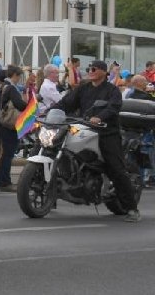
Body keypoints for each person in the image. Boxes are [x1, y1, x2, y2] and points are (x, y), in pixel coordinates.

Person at [49, 60, 140, 222]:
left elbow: (113, 108)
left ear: (104, 72)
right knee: (54, 147)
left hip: (106, 132)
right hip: (84, 129)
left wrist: (100, 117)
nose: (90, 71)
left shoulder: (112, 90)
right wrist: (49, 112)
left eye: (94, 69)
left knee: (116, 169)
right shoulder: (83, 88)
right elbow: (66, 102)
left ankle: (132, 208)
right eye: (88, 68)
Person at [0, 65, 29, 192]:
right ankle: (5, 182)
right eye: (18, 76)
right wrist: (30, 105)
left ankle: (0, 180)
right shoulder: (12, 88)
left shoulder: (3, 87)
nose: (19, 79)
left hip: (1, 123)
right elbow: (19, 105)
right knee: (8, 154)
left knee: (4, 153)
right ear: (14, 75)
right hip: (9, 125)